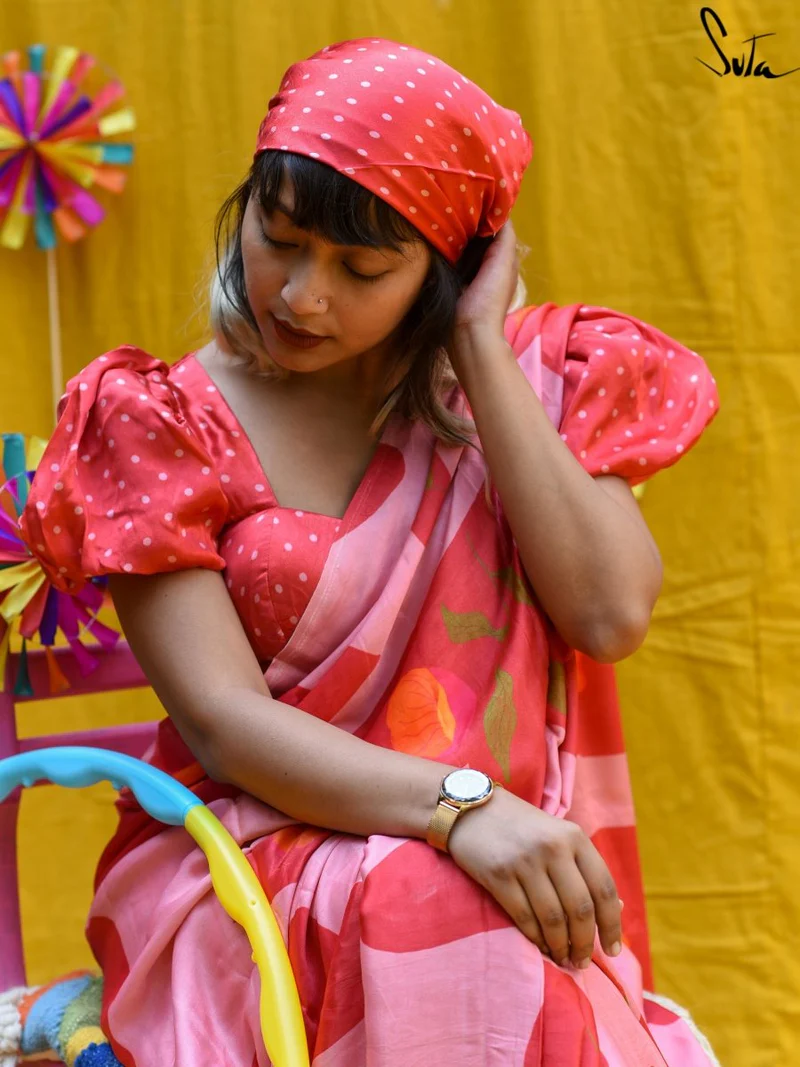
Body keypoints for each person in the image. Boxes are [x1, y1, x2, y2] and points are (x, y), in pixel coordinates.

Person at [18, 36, 722, 1067]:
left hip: (496, 862)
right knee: (439, 902)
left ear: (445, 268)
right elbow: (224, 723)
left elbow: (609, 615)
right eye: (278, 236)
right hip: (241, 865)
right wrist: (462, 810)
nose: (301, 295)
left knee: (460, 907)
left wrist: (478, 348)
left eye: (361, 269)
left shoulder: (538, 377)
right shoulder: (158, 421)